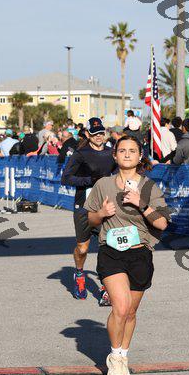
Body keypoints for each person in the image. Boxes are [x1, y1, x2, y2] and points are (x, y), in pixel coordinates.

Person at [84, 135, 170, 375]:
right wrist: (102, 213)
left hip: (139, 253)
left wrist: (141, 203)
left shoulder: (149, 187)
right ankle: (115, 357)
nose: (127, 154)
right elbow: (91, 220)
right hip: (111, 252)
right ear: (115, 155)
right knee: (120, 307)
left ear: (140, 156)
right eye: (122, 150)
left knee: (130, 312)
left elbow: (162, 224)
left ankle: (122, 355)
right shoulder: (103, 184)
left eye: (132, 151)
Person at [61, 117, 117, 304]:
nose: (99, 136)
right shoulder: (80, 154)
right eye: (94, 133)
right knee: (83, 248)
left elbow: (120, 171)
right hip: (84, 206)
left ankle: (106, 287)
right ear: (87, 134)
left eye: (101, 133)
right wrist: (89, 180)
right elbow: (66, 178)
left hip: (105, 205)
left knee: (108, 246)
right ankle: (79, 275)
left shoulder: (111, 153)